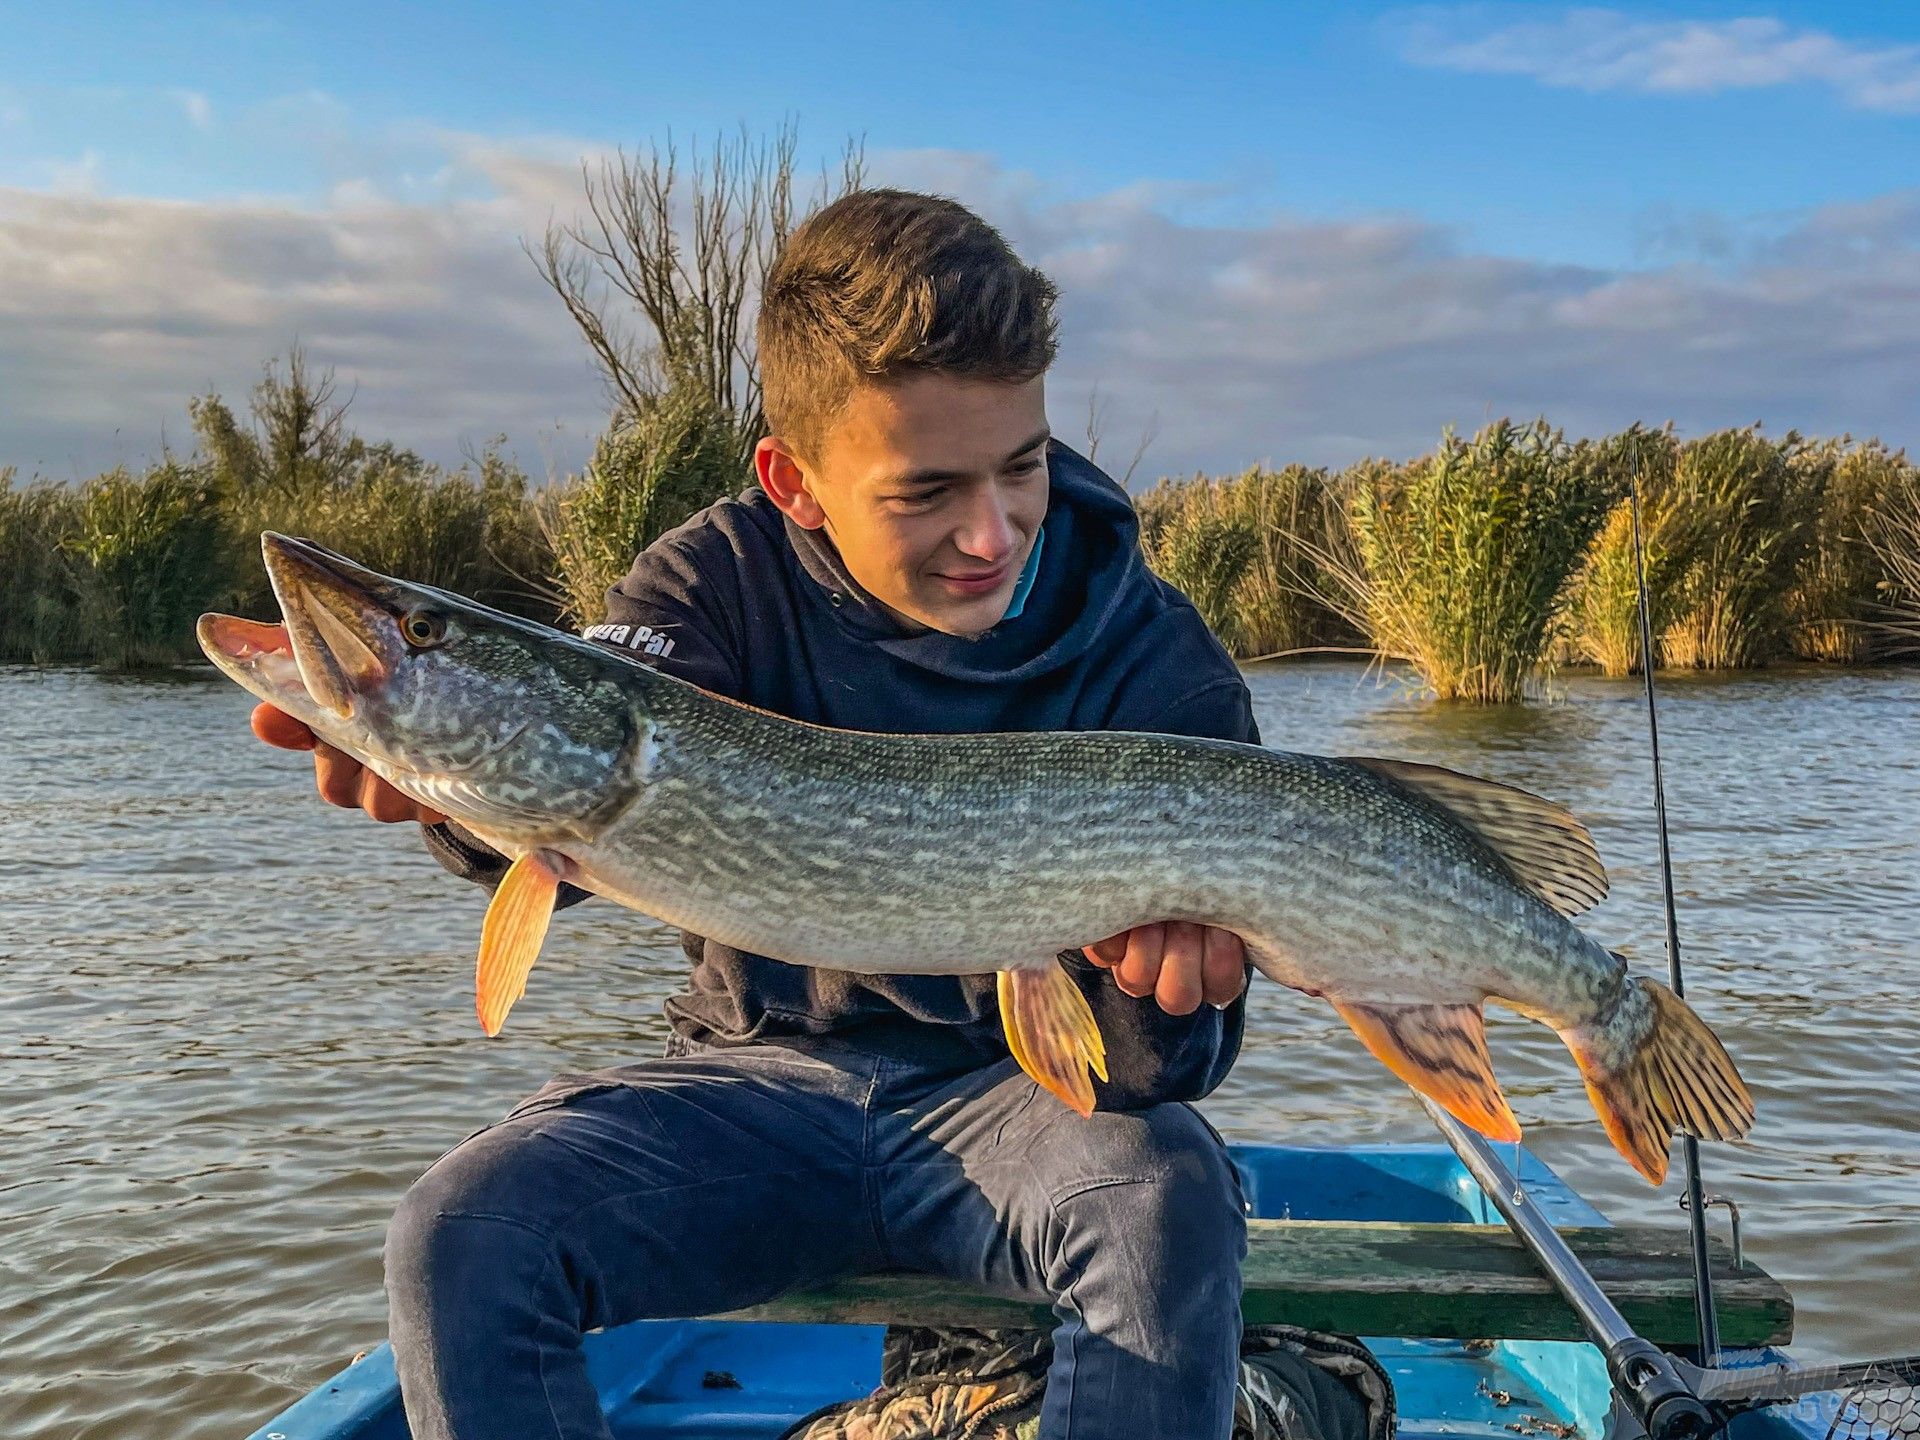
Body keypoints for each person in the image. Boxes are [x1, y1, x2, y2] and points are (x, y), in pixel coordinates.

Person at [253, 188, 1260, 1440]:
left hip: (1027, 1110)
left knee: (1163, 1196)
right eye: (926, 491)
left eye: (1023, 466)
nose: (991, 532)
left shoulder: (1152, 657)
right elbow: (587, 763)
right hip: (757, 1087)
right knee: (463, 1232)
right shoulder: (708, 580)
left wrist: (1159, 990)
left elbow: (1173, 1066)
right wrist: (442, 791)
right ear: (796, 482)